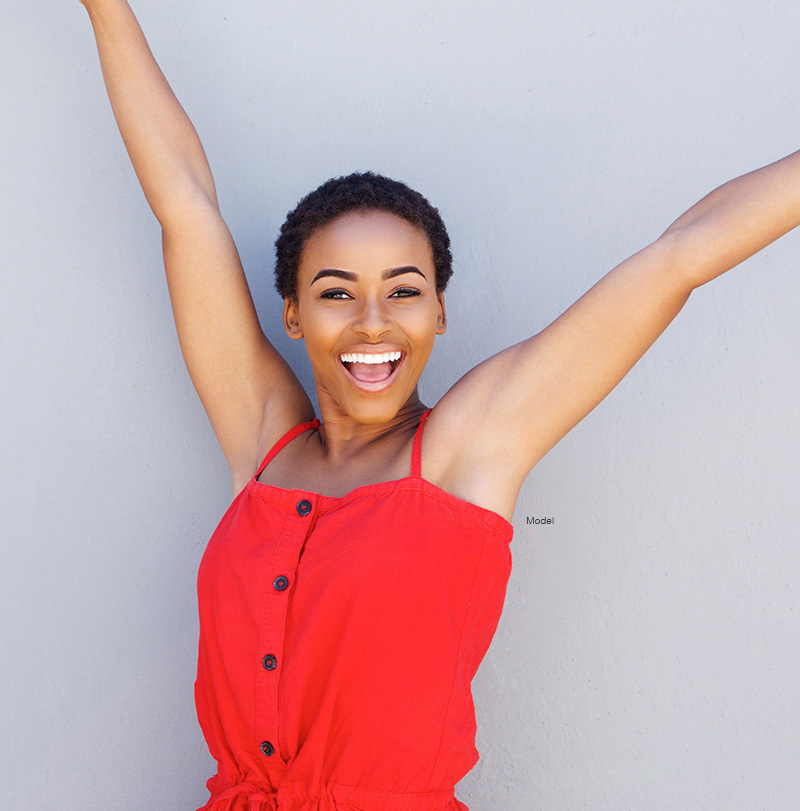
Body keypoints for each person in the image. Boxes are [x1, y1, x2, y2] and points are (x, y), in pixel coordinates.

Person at [77, 1, 800, 809]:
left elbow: (678, 259)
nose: (373, 322)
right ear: (292, 314)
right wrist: (105, 7)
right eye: (335, 292)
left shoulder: (471, 443)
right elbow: (183, 200)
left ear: (441, 310)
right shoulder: (262, 436)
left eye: (404, 290)